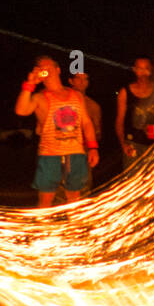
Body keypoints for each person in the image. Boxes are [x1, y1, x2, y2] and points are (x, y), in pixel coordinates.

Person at [15, 55, 99, 208]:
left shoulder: (76, 95)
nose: (45, 68)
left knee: (74, 198)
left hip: (75, 153)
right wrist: (30, 83)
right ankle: (43, 229)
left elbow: (86, 122)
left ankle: (73, 228)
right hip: (50, 155)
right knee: (46, 199)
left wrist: (93, 147)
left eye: (49, 66)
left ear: (58, 69)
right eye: (41, 67)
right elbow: (21, 110)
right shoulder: (39, 97)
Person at [116, 57, 154, 167]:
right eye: (140, 69)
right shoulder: (125, 92)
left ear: (151, 70)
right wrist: (123, 145)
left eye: (146, 68)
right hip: (133, 144)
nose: (143, 72)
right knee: (132, 178)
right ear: (135, 70)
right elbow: (119, 121)